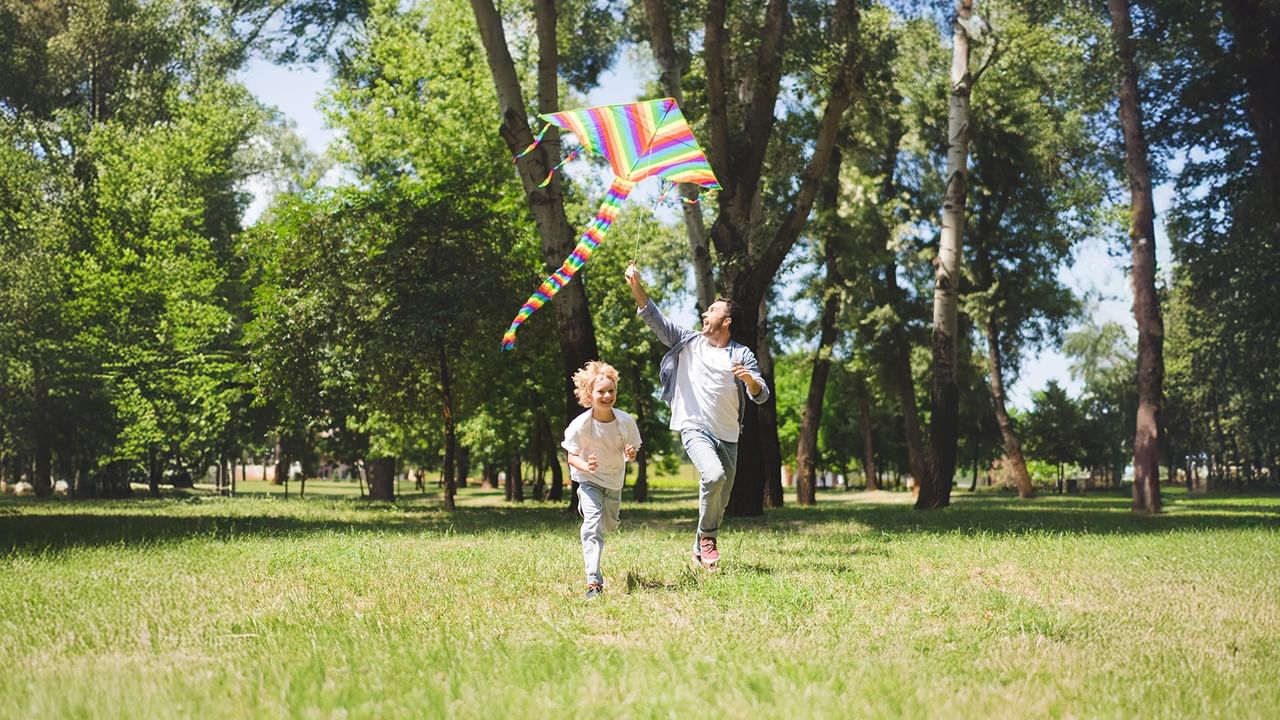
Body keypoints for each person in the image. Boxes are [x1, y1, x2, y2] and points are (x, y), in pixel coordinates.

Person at [624, 262, 769, 570]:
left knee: (722, 498)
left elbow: (762, 394)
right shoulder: (688, 342)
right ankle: (708, 538)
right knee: (713, 475)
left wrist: (750, 381)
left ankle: (698, 546)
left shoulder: (741, 354)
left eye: (712, 310)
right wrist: (636, 286)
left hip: (728, 434)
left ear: (726, 321)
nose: (705, 313)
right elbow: (655, 318)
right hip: (694, 426)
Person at [563, 360, 641, 598]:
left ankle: (595, 514)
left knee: (609, 525)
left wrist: (630, 454)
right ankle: (593, 582)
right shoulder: (581, 425)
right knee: (592, 527)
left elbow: (633, 450)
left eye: (611, 391)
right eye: (601, 391)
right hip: (589, 481)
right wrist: (586, 465)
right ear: (589, 394)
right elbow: (571, 456)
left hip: (614, 483)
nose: (607, 395)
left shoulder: (625, 421)